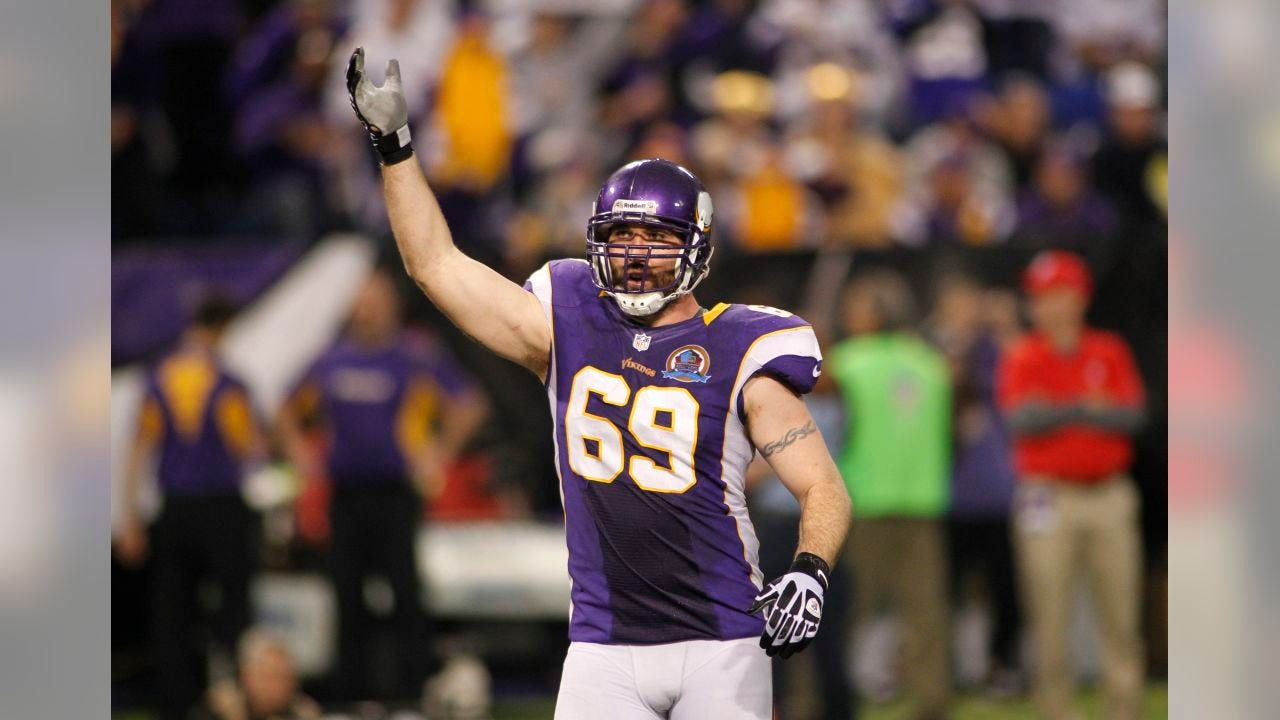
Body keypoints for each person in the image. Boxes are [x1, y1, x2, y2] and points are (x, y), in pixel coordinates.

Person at [344, 47, 853, 719]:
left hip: (723, 639)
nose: (637, 255)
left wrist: (811, 568)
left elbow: (822, 484)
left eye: (655, 237)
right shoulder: (567, 320)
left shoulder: (740, 345)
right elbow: (435, 263)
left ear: (695, 245)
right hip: (602, 644)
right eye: (623, 236)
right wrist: (395, 147)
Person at [278, 269, 487, 702]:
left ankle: (409, 695)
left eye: (375, 299)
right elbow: (283, 409)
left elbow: (469, 405)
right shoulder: (331, 358)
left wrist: (439, 452)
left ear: (391, 304)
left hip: (396, 495)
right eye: (361, 300)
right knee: (346, 595)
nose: (367, 309)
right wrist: (300, 453)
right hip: (346, 495)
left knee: (406, 594)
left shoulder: (414, 355)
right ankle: (351, 698)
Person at [997, 250, 1146, 720]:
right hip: (1047, 494)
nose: (1048, 306)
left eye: (1057, 294)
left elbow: (1134, 416)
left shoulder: (1108, 349)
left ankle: (1125, 709)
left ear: (1079, 297)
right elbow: (1024, 419)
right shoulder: (1023, 354)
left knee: (1121, 613)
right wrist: (1088, 408)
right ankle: (1056, 710)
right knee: (1049, 612)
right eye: (1039, 297)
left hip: (1109, 493)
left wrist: (1060, 409)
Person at [114, 295, 266, 720]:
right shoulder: (228, 381)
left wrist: (128, 516)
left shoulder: (159, 378)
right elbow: (249, 447)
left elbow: (138, 450)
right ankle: (238, 700)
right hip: (221, 508)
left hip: (175, 508)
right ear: (220, 329)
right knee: (233, 612)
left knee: (172, 615)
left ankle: (176, 705)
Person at [827, 270, 952, 720]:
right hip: (923, 501)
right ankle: (932, 703)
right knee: (926, 616)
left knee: (843, 614)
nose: (848, 315)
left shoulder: (847, 361)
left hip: (863, 502)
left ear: (876, 314)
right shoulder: (932, 363)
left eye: (857, 307)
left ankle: (824, 698)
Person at [192, 629, 322, 720]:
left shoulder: (301, 712)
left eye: (286, 678)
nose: (278, 687)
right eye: (270, 677)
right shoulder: (218, 709)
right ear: (246, 676)